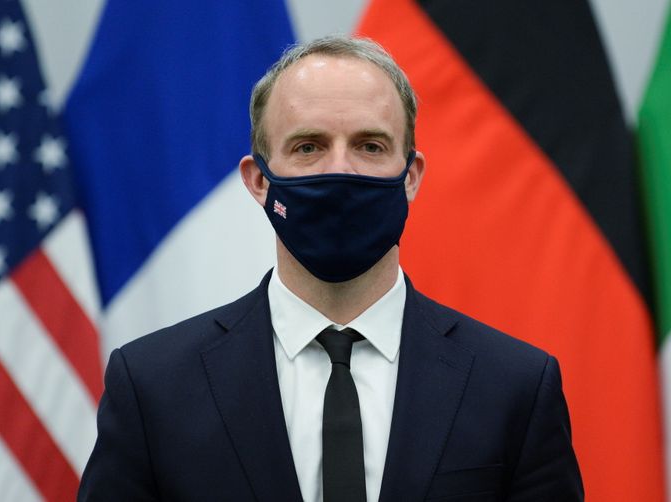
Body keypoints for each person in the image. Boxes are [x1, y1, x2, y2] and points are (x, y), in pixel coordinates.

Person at [78, 36, 583, 501]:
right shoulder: (153, 386)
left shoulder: (513, 385)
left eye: (370, 146)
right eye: (308, 147)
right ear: (258, 180)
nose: (340, 170)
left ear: (411, 177)